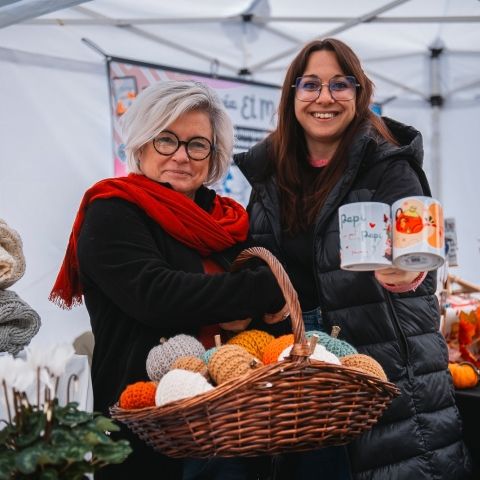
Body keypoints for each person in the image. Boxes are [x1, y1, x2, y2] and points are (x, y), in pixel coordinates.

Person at [234, 38, 471, 480]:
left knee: (393, 465)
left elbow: (418, 253)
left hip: (382, 360)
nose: (325, 97)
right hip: (300, 369)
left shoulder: (388, 165)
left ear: (359, 94)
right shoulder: (268, 174)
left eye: (340, 84)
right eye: (311, 85)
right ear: (292, 95)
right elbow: (260, 258)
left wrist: (409, 273)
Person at [49, 80, 288, 480]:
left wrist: (245, 299)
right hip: (151, 431)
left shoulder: (226, 221)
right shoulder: (113, 212)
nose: (181, 155)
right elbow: (158, 297)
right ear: (141, 144)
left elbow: (272, 298)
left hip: (236, 430)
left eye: (197, 145)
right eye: (166, 140)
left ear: (213, 157)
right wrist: (252, 295)